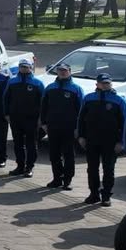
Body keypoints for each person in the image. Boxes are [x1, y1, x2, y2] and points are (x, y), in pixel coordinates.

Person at [78, 73, 126, 206]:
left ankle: (106, 195)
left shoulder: (118, 100)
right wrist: (81, 136)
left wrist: (121, 142)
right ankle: (94, 194)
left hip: (110, 142)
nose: (105, 85)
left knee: (108, 169)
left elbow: (125, 123)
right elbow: (81, 119)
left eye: (107, 83)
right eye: (103, 83)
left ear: (111, 84)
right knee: (92, 168)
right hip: (92, 140)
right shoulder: (88, 98)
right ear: (97, 84)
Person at [40, 61, 83, 190]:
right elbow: (44, 107)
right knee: (54, 154)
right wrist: (43, 123)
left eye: (65, 70)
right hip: (53, 126)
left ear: (69, 72)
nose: (62, 72)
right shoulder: (50, 88)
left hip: (69, 128)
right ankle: (57, 178)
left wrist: (78, 128)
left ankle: (67, 180)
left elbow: (81, 111)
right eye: (60, 70)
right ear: (57, 72)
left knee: (68, 154)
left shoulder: (76, 89)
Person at [4, 59, 45, 178]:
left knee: (31, 144)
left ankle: (29, 167)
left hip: (31, 119)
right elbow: (6, 99)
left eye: (26, 67)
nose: (24, 69)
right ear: (19, 68)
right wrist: (7, 114)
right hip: (16, 118)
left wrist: (41, 119)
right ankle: (20, 166)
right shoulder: (12, 82)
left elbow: (43, 103)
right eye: (22, 67)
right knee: (18, 143)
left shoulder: (37, 83)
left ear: (31, 68)